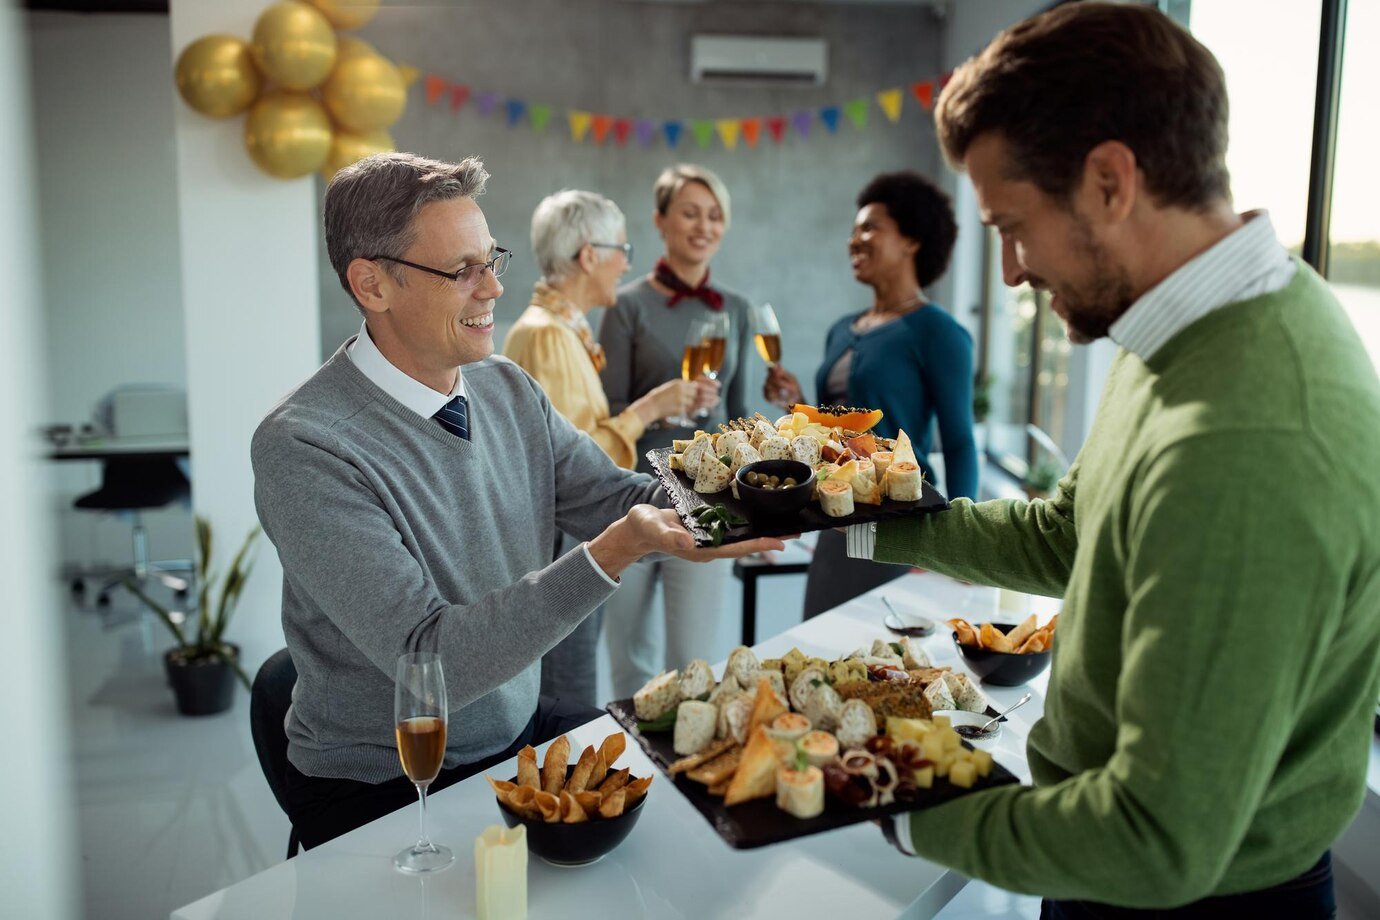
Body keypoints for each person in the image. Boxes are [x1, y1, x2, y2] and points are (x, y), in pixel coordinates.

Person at [854, 5, 1380, 917]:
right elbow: (1070, 532)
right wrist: (857, 520)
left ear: (1109, 181)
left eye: (1014, 225)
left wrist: (896, 805)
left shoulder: (1248, 442)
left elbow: (1155, 839)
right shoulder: (1188, 323)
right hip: (1108, 867)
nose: (1010, 272)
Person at [251, 153, 782, 850]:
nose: (496, 287)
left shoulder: (506, 388)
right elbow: (430, 662)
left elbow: (614, 495)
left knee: (695, 818)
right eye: (462, 270)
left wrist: (760, 494)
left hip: (514, 730)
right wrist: (618, 549)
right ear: (371, 283)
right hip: (384, 787)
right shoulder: (306, 446)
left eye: (490, 259)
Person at [503, 189, 697, 706]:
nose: (626, 265)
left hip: (558, 539)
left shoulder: (559, 332)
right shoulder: (547, 336)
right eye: (621, 251)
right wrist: (649, 409)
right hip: (562, 545)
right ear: (589, 255)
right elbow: (576, 464)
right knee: (568, 694)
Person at [765, 171, 975, 617]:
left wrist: (959, 544)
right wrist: (798, 402)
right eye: (854, 229)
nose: (854, 240)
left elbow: (959, 443)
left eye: (870, 227)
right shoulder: (842, 329)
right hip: (835, 514)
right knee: (820, 642)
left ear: (912, 240)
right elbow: (837, 428)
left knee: (882, 660)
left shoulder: (938, 332)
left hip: (900, 520)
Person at [597, 164, 754, 699]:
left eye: (715, 216)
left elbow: (740, 417)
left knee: (694, 670)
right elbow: (608, 415)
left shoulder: (736, 308)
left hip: (708, 508)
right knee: (630, 671)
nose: (703, 226)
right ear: (660, 221)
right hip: (630, 502)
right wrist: (663, 409)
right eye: (690, 212)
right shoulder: (624, 306)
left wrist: (755, 511)